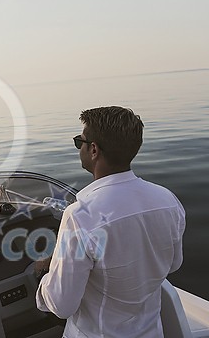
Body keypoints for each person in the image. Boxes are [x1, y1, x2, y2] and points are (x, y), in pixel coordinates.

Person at [36, 106, 186, 337]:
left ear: (93, 150)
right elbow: (173, 264)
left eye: (80, 142)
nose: (79, 148)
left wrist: (45, 276)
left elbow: (62, 305)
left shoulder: (80, 215)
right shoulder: (168, 200)